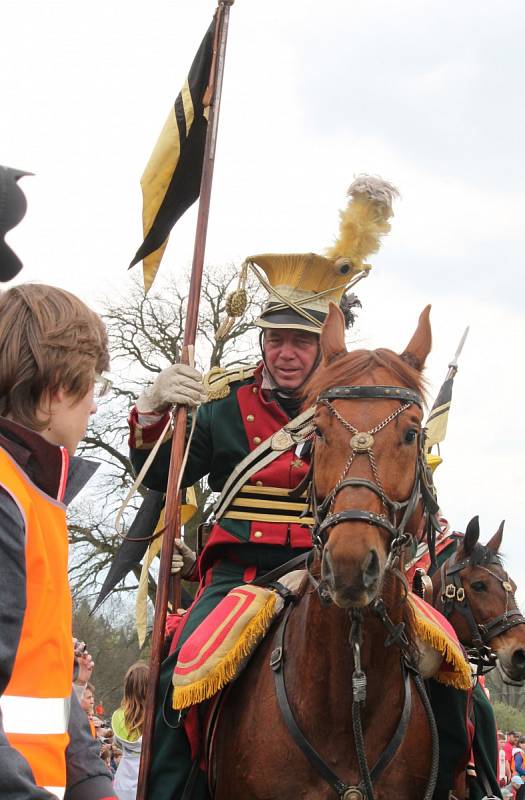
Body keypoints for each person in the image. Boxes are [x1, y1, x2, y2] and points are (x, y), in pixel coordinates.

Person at [127, 176, 471, 799]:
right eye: (275, 339)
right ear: (262, 341)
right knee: (179, 678)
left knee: (449, 663)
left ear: (322, 347)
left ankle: (465, 783)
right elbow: (154, 477)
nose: (286, 352)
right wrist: (154, 412)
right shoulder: (225, 405)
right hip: (240, 578)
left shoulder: (354, 406)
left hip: (320, 565)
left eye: (301, 340)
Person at [0, 283, 117, 800]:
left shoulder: (35, 495)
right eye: (92, 386)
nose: (95, 406)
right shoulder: (7, 495)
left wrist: (95, 785)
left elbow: (46, 677)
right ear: (54, 393)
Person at [111, 662, 149, 800]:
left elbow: (118, 743)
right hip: (147, 778)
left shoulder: (118, 716)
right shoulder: (155, 718)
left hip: (123, 782)